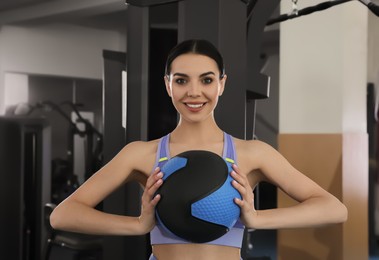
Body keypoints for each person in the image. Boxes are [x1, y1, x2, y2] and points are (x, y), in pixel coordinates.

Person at [50, 39, 348, 260]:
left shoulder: (252, 153)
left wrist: (258, 219)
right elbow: (63, 215)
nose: (194, 92)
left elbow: (334, 208)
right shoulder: (140, 154)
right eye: (181, 81)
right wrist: (138, 226)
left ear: (221, 84)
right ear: (168, 85)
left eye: (206, 80)